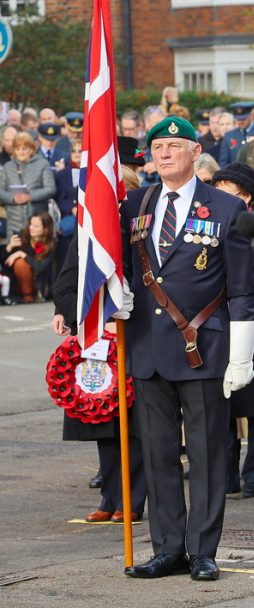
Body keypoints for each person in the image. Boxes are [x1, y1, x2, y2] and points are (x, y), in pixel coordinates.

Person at [120, 116, 254, 582]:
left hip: (203, 346)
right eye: (157, 146)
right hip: (148, 346)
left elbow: (242, 288)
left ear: (195, 151)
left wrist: (242, 354)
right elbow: (118, 267)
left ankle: (202, 549)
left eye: (173, 146)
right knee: (158, 453)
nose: (163, 154)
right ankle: (167, 549)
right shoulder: (136, 205)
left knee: (205, 455)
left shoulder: (224, 207)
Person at [52, 166, 148, 524]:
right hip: (94, 338)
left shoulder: (139, 232)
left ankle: (133, 500)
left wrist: (119, 309)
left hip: (131, 332)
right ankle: (110, 496)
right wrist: (68, 310)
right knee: (102, 419)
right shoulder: (88, 230)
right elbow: (67, 280)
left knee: (132, 425)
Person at [209, 163, 254, 500]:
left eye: (227, 188)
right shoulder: (207, 223)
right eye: (217, 186)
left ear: (246, 196)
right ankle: (224, 475)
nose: (219, 194)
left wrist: (232, 294)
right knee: (221, 407)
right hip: (215, 325)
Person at [1, 131, 56, 239]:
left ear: (31, 149)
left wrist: (29, 196)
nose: (21, 152)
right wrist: (12, 198)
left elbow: (51, 189)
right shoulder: (7, 167)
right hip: (13, 223)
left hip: (37, 223)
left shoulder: (42, 164)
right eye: (17, 149)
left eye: (24, 149)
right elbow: (0, 191)